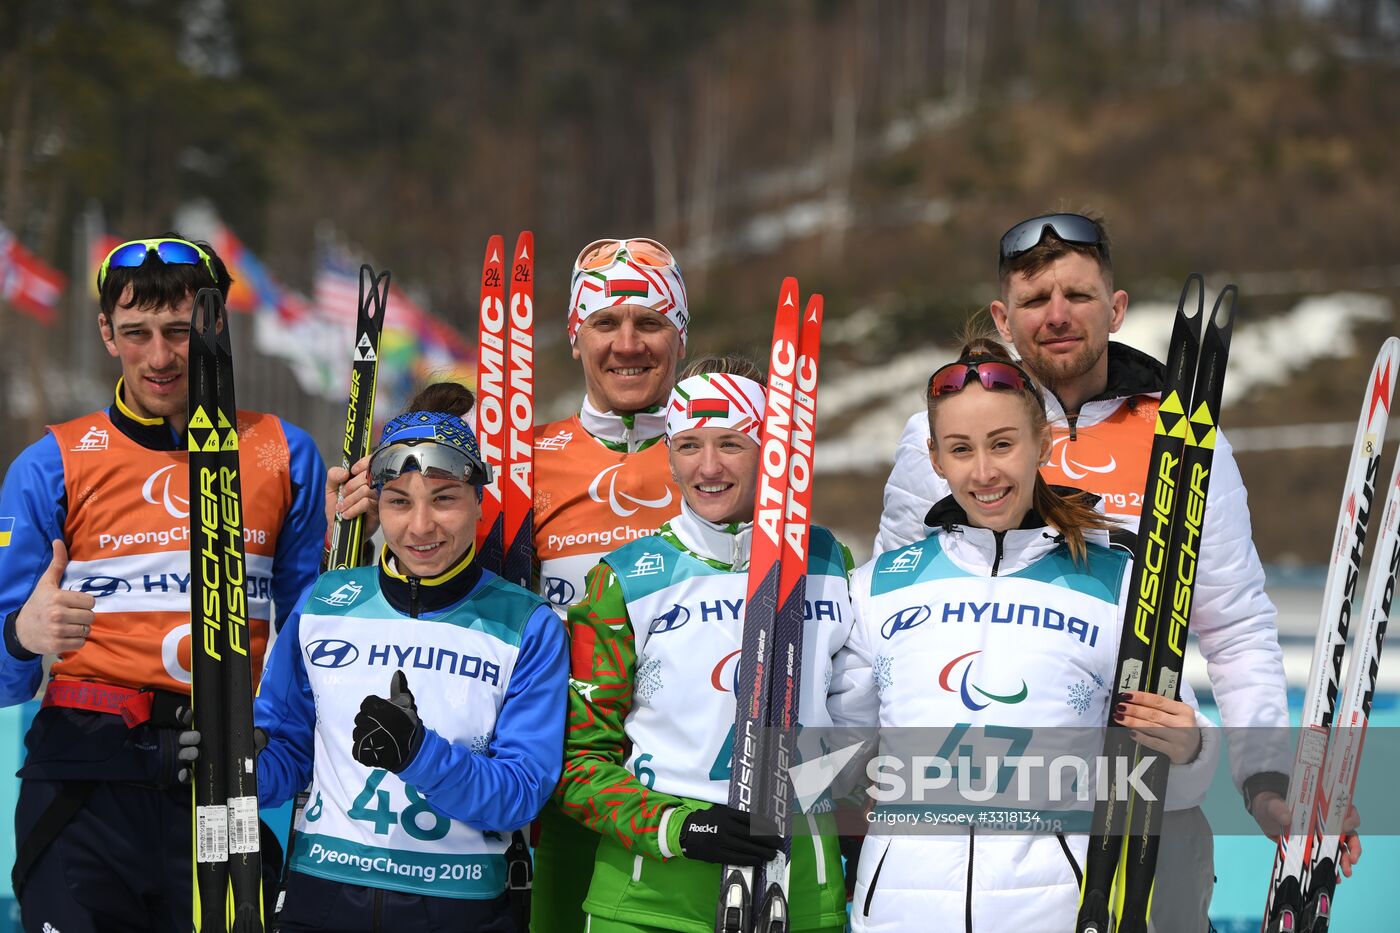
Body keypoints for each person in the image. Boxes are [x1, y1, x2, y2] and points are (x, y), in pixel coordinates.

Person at [871, 213, 1357, 920]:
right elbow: (894, 613)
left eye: (1079, 295)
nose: (1058, 316)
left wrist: (1265, 775)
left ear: (1117, 307)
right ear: (1005, 317)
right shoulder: (938, 436)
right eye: (1036, 301)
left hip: (1154, 795)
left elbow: (1236, 625)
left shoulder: (1183, 435)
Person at [831, 337, 1219, 931]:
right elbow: (840, 756)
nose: (984, 472)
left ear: (1043, 442)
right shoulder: (879, 587)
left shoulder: (1115, 580)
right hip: (901, 913)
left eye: (1003, 445)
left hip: (1057, 911)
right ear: (935, 458)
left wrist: (1192, 747)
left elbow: (1179, 776)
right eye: (961, 450)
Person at [0, 235, 327, 930]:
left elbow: (311, 640)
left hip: (221, 784)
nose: (159, 356)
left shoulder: (284, 452)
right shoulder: (51, 461)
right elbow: (2, 670)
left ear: (213, 326)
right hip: (85, 786)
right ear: (106, 334)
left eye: (179, 331)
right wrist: (20, 635)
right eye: (136, 332)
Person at [555, 358, 852, 933]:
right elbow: (579, 763)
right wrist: (679, 827)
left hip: (801, 899)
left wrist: (804, 795)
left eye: (732, 444)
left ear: (772, 448)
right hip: (648, 904)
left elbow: (860, 725)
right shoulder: (625, 580)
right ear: (667, 453)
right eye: (688, 445)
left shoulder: (830, 563)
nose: (708, 467)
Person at [250, 409, 568, 930]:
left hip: (458, 905)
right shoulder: (326, 602)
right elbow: (286, 752)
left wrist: (420, 754)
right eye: (399, 502)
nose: (421, 526)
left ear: (478, 502)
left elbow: (520, 793)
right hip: (322, 896)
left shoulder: (527, 624)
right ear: (379, 504)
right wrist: (235, 765)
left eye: (444, 499)